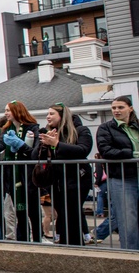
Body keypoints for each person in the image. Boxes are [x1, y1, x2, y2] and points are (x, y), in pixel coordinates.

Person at [31, 103, 92, 246]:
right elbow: (34, 156)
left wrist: (57, 144)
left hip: (77, 179)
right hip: (56, 181)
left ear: (62, 116)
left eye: (52, 114)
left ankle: (75, 245)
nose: (48, 117)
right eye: (47, 114)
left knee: (72, 213)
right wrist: (44, 144)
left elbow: (83, 150)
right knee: (62, 214)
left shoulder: (80, 130)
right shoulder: (46, 132)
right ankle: (65, 244)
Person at [96, 96, 139, 250]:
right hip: (122, 178)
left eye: (120, 107)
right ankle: (131, 255)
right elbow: (106, 151)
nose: (116, 111)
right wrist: (132, 153)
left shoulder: (136, 126)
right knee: (128, 220)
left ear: (130, 108)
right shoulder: (106, 128)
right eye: (114, 108)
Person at [0, 101, 41, 242]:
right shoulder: (6, 130)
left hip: (28, 176)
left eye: (8, 110)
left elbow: (34, 153)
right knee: (19, 213)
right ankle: (23, 239)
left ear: (17, 111)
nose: (6, 113)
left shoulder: (33, 128)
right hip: (13, 176)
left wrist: (20, 145)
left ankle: (37, 239)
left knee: (33, 212)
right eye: (5, 110)